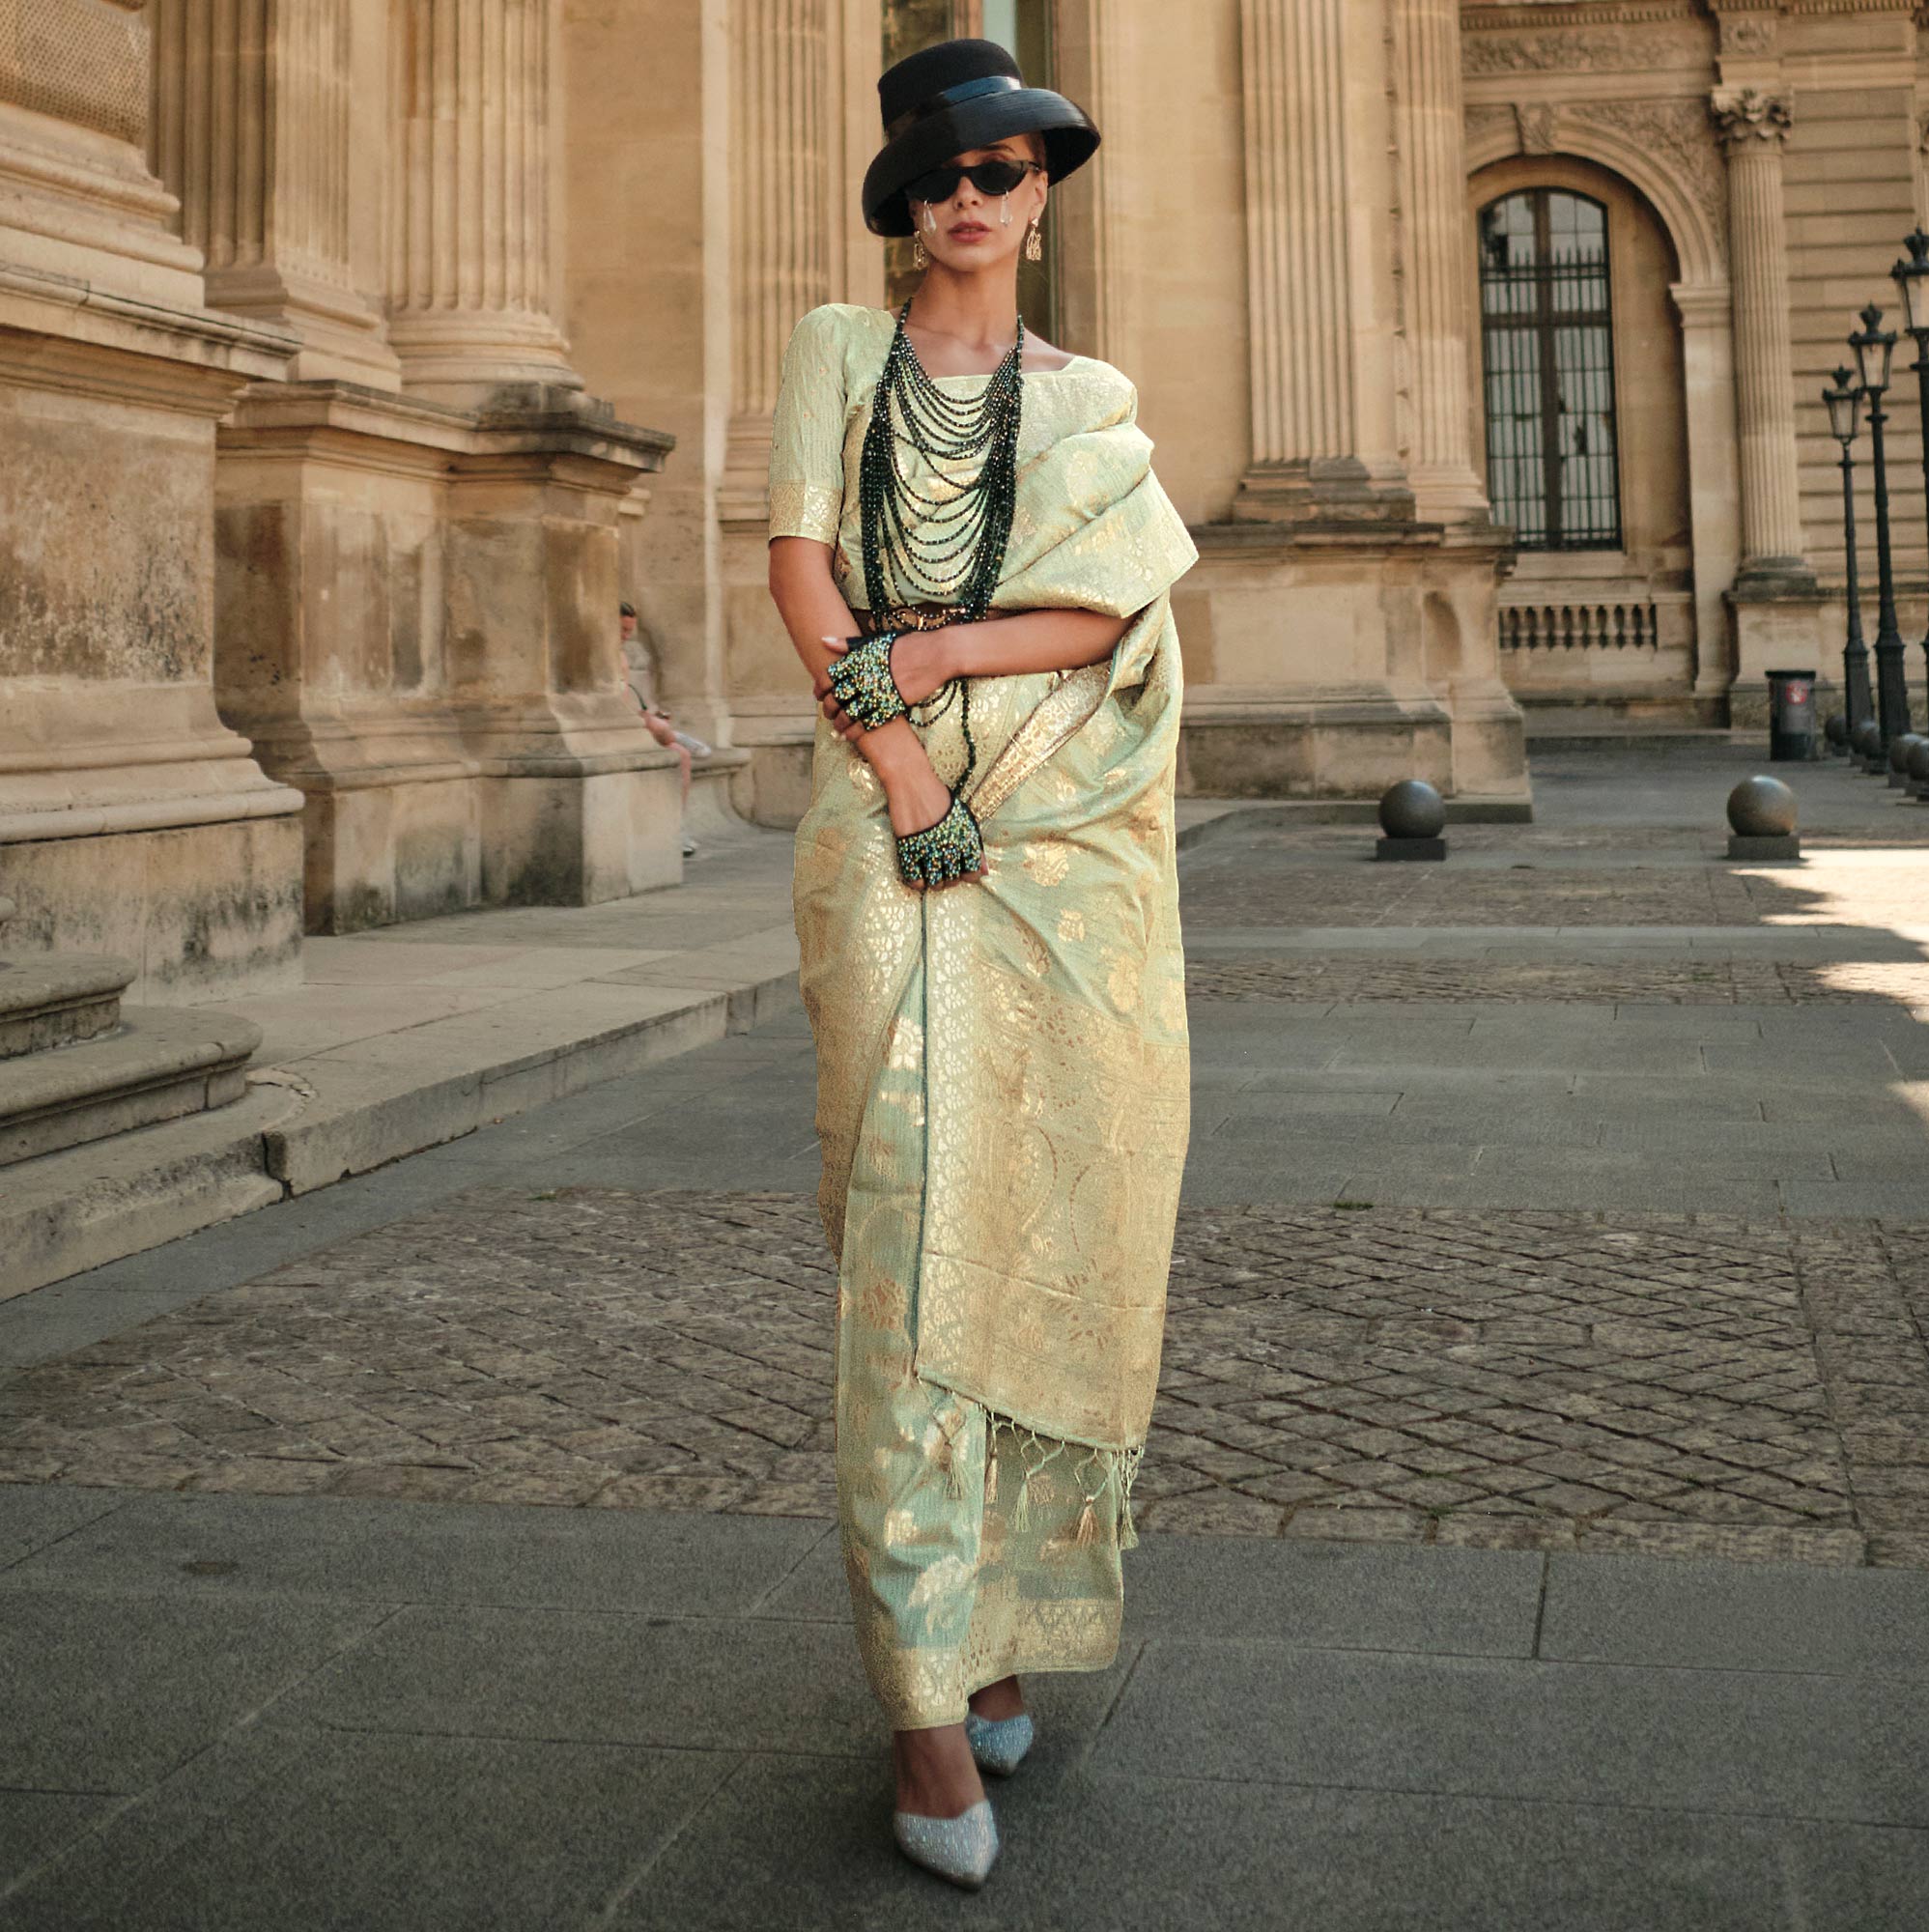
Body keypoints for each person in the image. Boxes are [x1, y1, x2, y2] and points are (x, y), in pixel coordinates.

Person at [766, 37, 1196, 1891]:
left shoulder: (1090, 393)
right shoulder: (835, 355)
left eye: (1008, 168)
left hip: (1060, 836)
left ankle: (996, 1624)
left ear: (1043, 199)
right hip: (885, 818)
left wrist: (942, 665)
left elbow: (1112, 607)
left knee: (1049, 1205)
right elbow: (799, 565)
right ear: (906, 193)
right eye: (944, 165)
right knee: (906, 1223)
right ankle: (921, 1710)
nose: (974, 191)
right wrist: (898, 751)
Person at [619, 600, 708, 857]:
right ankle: (670, 734)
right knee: (663, 733)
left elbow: (624, 703)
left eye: (629, 632)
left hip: (628, 723)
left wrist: (645, 716)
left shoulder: (620, 657)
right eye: (621, 631)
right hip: (615, 728)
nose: (625, 637)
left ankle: (677, 829)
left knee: (681, 755)